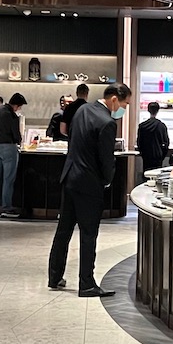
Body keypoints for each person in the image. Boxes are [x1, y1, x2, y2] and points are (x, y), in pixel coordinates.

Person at [48, 83, 130, 297]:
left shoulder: (82, 110)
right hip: (89, 183)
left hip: (70, 177)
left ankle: (54, 277)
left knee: (63, 230)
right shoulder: (107, 123)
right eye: (125, 104)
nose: (124, 109)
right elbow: (106, 159)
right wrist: (107, 180)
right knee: (88, 233)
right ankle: (86, 284)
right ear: (114, 100)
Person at [0, 92, 26, 218]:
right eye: (19, 106)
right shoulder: (11, 115)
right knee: (8, 179)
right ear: (16, 105)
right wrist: (19, 141)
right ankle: (6, 208)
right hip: (9, 148)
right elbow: (16, 134)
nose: (19, 109)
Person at [136, 101, 171, 171]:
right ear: (158, 110)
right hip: (158, 156)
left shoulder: (142, 126)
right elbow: (166, 142)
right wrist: (162, 155)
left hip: (146, 155)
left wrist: (143, 153)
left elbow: (139, 142)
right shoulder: (161, 126)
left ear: (148, 110)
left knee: (146, 175)